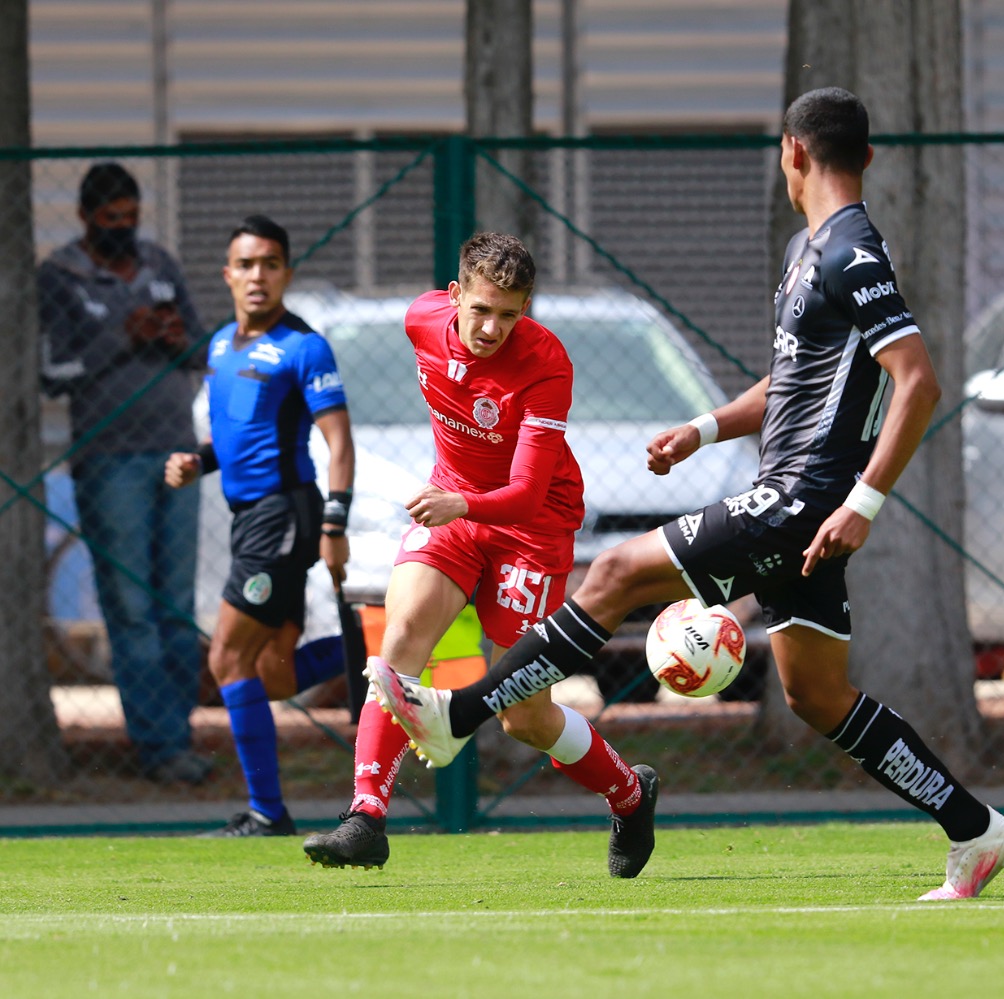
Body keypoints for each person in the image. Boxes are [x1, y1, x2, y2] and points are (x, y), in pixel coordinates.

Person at [366, 89, 1004, 901]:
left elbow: (918, 382)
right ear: (868, 155)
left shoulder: (850, 250)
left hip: (804, 497)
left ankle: (456, 714)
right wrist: (704, 429)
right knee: (816, 694)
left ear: (792, 152)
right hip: (791, 493)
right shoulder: (808, 246)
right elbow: (794, 383)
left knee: (611, 575)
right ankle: (974, 827)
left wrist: (863, 502)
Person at [302, 232, 659, 878]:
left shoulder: (547, 362)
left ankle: (630, 793)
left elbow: (523, 494)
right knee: (402, 638)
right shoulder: (420, 320)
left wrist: (459, 503)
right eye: (482, 309)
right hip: (457, 509)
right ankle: (366, 816)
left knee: (525, 717)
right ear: (454, 295)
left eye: (511, 314)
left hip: (531, 526)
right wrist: (455, 501)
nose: (493, 327)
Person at [165, 215, 355, 836]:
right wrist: (200, 460)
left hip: (283, 516)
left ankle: (266, 813)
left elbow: (339, 442)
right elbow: (236, 436)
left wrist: (336, 522)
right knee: (272, 673)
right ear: (227, 275)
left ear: (287, 274)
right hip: (251, 518)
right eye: (246, 265)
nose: (257, 276)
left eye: (270, 264)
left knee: (225, 659)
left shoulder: (303, 347)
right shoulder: (221, 344)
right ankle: (373, 652)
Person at [39, 162, 209, 785]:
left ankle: (180, 734)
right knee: (132, 606)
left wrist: (172, 337)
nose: (125, 230)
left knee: (176, 605)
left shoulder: (159, 263)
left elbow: (201, 349)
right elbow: (51, 373)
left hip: (177, 453)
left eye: (132, 220)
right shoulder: (58, 276)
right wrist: (120, 335)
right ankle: (159, 746)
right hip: (109, 459)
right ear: (86, 219)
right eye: (112, 221)